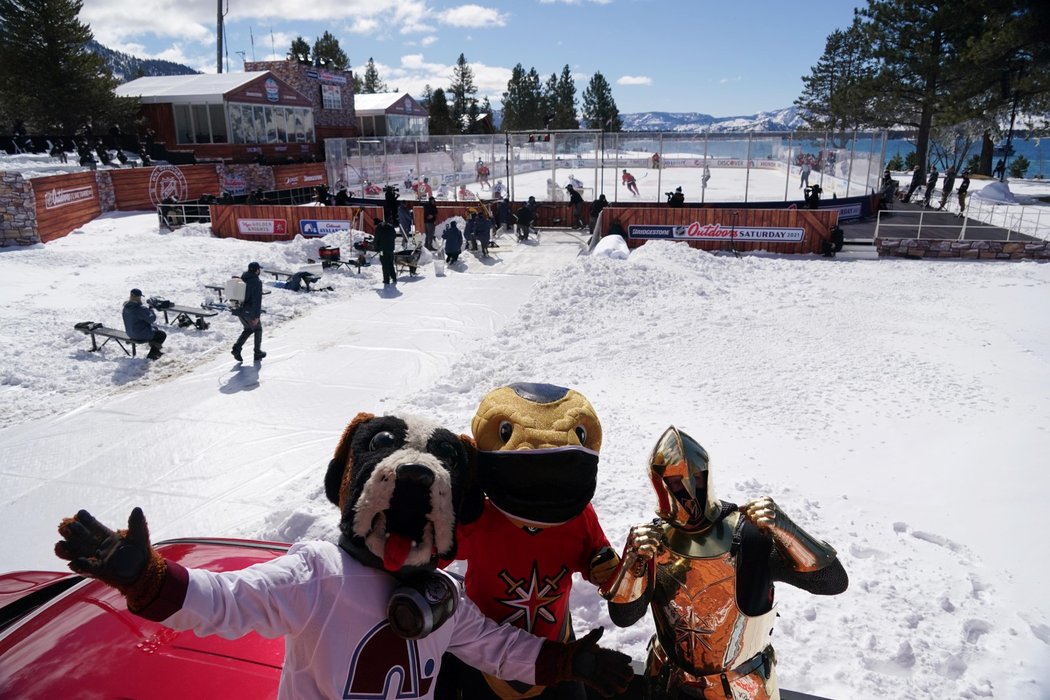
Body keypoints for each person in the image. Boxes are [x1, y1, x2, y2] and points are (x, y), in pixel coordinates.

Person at [600, 426, 848, 700]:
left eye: (696, 478)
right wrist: (633, 562)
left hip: (741, 686)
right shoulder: (654, 542)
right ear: (661, 486)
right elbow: (624, 617)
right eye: (675, 484)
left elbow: (833, 582)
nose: (690, 493)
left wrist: (786, 529)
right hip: (668, 679)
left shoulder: (751, 536)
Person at [232, 262, 265, 362]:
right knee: (258, 329)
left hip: (238, 308)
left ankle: (236, 348)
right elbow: (256, 300)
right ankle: (257, 352)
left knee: (248, 329)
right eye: (259, 269)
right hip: (249, 311)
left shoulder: (242, 278)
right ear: (257, 270)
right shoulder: (256, 282)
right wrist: (256, 316)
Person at [122, 288, 166, 361]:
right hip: (139, 334)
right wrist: (151, 309)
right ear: (139, 297)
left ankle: (155, 350)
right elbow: (151, 319)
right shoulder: (139, 309)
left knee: (155, 329)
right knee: (161, 335)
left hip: (130, 333)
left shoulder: (126, 307)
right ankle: (152, 353)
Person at [374, 217, 399, 285]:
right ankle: (394, 277)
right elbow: (395, 236)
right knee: (390, 263)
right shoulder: (391, 226)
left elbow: (376, 239)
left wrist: (376, 248)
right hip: (391, 249)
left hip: (383, 249)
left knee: (385, 264)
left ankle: (386, 280)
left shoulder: (378, 228)